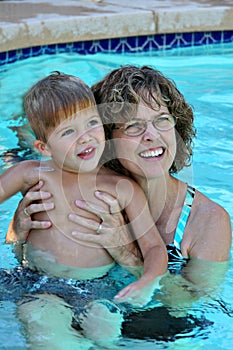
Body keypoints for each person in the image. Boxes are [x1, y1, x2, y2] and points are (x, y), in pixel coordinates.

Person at [6, 65, 232, 340]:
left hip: (148, 328)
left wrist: (126, 253)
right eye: (133, 126)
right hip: (57, 304)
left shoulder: (207, 220)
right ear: (108, 137)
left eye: (162, 119)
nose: (152, 135)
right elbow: (36, 261)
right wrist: (17, 232)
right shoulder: (78, 187)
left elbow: (187, 305)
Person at [2, 70, 168, 347]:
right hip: (37, 283)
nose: (85, 137)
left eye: (92, 122)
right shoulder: (31, 173)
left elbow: (152, 247)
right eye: (69, 131)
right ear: (43, 147)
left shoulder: (121, 187)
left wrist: (147, 281)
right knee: (40, 319)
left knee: (104, 328)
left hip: (98, 290)